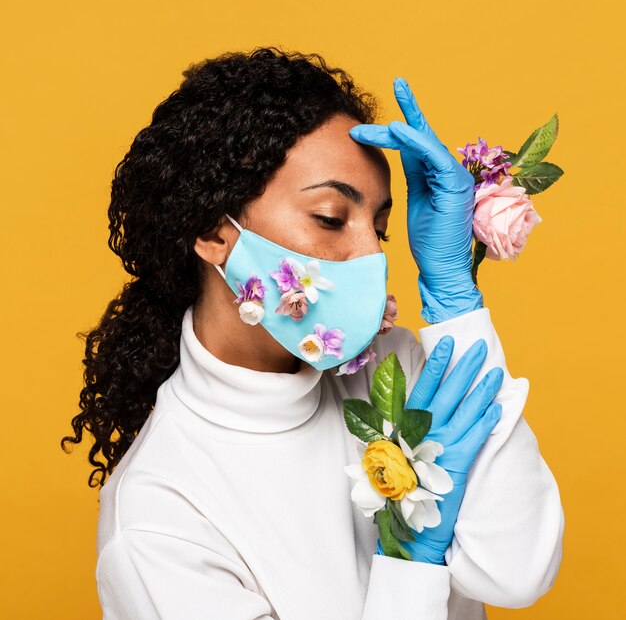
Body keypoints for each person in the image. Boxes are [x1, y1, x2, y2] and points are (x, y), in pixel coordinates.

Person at [61, 46, 565, 619]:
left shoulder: (395, 373)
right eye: (330, 218)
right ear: (213, 232)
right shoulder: (159, 516)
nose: (370, 256)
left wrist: (455, 301)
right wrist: (410, 559)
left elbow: (518, 572)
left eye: (380, 229)